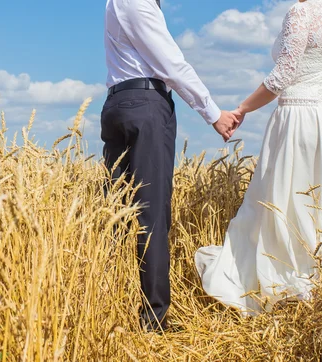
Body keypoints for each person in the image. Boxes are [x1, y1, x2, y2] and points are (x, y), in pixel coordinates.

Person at [195, 0, 322, 316]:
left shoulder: (301, 12)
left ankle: (290, 286)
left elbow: (283, 74)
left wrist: (242, 108)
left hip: (303, 119)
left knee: (290, 208)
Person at [101, 0, 239, 332]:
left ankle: (107, 305)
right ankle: (154, 318)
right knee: (152, 212)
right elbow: (172, 64)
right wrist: (214, 114)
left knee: (115, 212)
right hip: (146, 107)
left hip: (115, 103)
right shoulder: (139, 4)